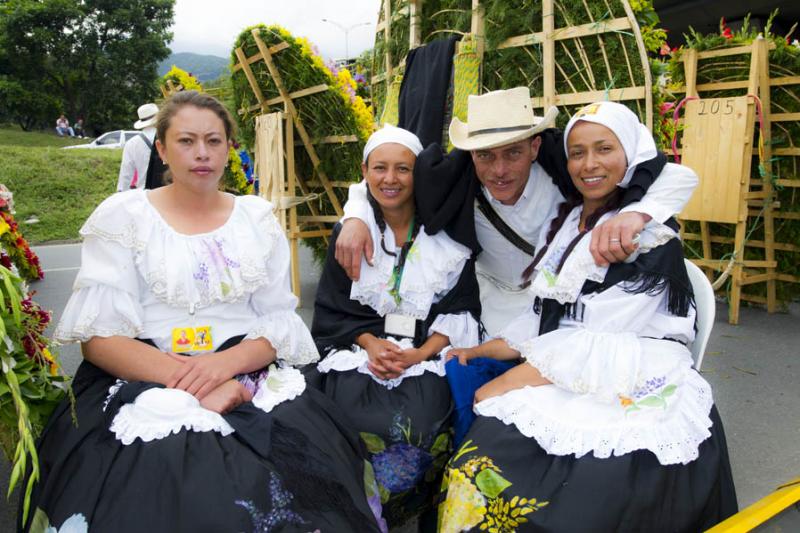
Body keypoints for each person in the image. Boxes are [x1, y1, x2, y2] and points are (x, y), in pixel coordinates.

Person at [21, 91, 384, 533]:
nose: (201, 154)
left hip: (242, 368)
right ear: (161, 149)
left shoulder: (255, 219)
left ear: (230, 148)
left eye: (214, 141)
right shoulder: (124, 216)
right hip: (144, 370)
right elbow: (100, 338)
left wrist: (220, 369)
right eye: (186, 141)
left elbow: (276, 324)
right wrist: (193, 384)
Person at [438, 101, 737, 532]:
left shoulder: (644, 232)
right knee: (475, 463)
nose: (589, 164)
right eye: (578, 153)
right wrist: (480, 350)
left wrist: (507, 382)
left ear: (630, 155)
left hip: (628, 375)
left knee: (570, 502)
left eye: (604, 150)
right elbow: (545, 314)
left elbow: (601, 337)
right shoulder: (568, 221)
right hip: (570, 366)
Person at [334, 87, 698, 336]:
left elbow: (675, 177)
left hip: (558, 309)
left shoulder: (568, 167)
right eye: (485, 155)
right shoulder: (453, 181)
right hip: (487, 306)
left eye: (513, 152)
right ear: (471, 155)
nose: (499, 170)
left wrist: (634, 213)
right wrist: (354, 215)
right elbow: (389, 185)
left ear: (535, 145)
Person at [310, 125, 482, 530]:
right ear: (365, 172)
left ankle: (413, 513)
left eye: (403, 169)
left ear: (418, 173)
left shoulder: (447, 238)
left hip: (425, 353)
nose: (390, 179)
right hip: (361, 354)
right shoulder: (350, 235)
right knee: (348, 418)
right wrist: (370, 344)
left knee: (423, 421)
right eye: (380, 168)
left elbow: (462, 307)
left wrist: (419, 355)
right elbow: (333, 308)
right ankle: (360, 512)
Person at [116, 103, 166, 191]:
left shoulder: (131, 143)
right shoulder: (167, 138)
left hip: (144, 193)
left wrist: (121, 195)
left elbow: (125, 176)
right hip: (167, 191)